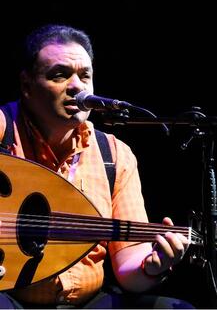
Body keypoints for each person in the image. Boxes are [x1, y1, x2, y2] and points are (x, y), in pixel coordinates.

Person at [0, 24, 193, 308]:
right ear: (27, 86)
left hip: (88, 302)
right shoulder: (3, 129)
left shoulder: (114, 154)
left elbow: (128, 268)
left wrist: (152, 266)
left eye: (84, 76)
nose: (76, 86)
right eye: (60, 75)